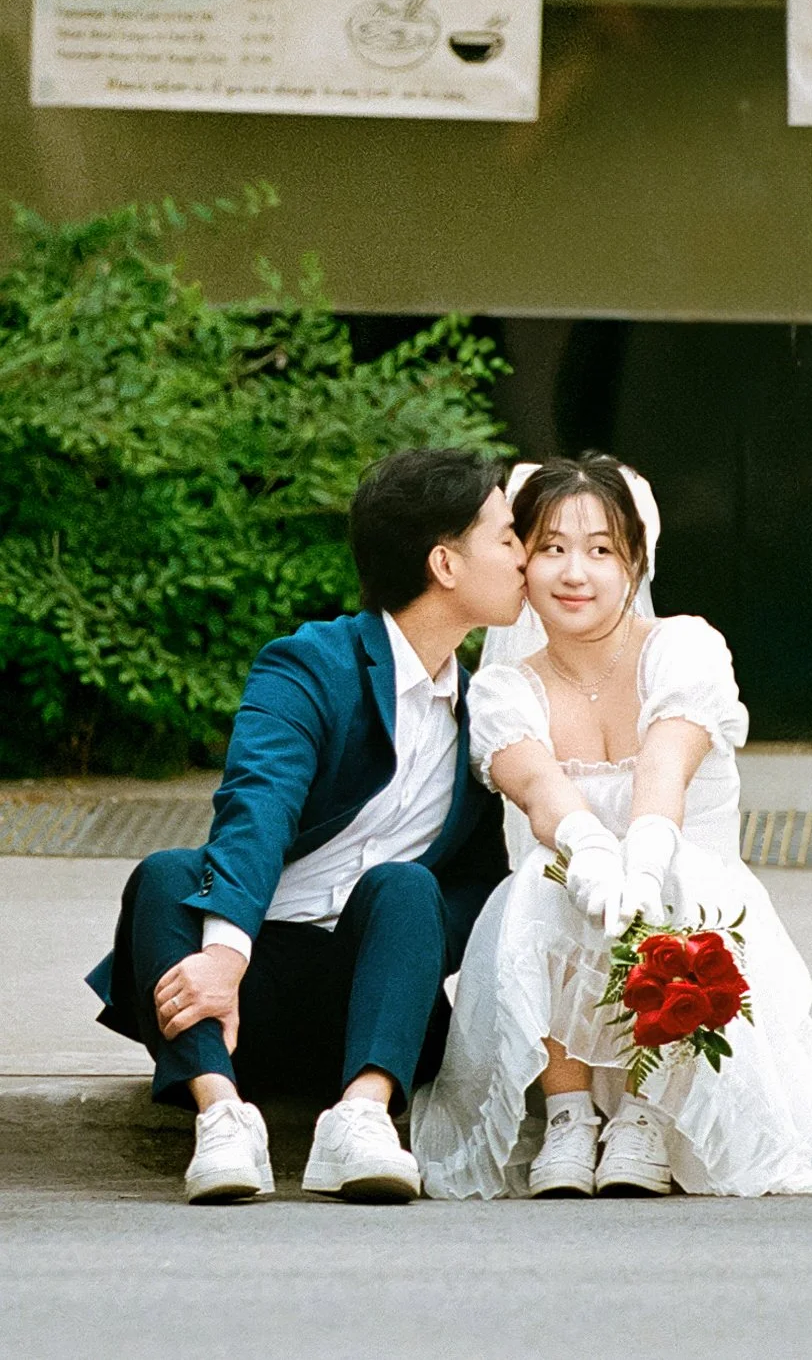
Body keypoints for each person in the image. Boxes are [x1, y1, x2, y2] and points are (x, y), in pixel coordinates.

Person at [410, 455, 812, 1198]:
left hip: (696, 914)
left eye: (600, 550)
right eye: (553, 547)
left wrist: (642, 855)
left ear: (635, 559)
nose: (575, 572)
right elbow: (537, 786)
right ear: (523, 560)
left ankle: (645, 1113)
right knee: (548, 869)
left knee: (672, 871)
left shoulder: (685, 646)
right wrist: (591, 847)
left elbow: (666, 767)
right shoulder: (503, 686)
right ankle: (566, 1113)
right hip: (565, 916)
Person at [86, 448, 526, 1204]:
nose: (524, 555)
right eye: (508, 536)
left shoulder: (487, 711)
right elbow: (256, 806)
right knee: (165, 872)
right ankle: (221, 1118)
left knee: (405, 885)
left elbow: (479, 882)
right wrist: (224, 955)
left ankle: (360, 1118)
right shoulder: (309, 664)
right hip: (239, 997)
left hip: (375, 1004)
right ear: (445, 563)